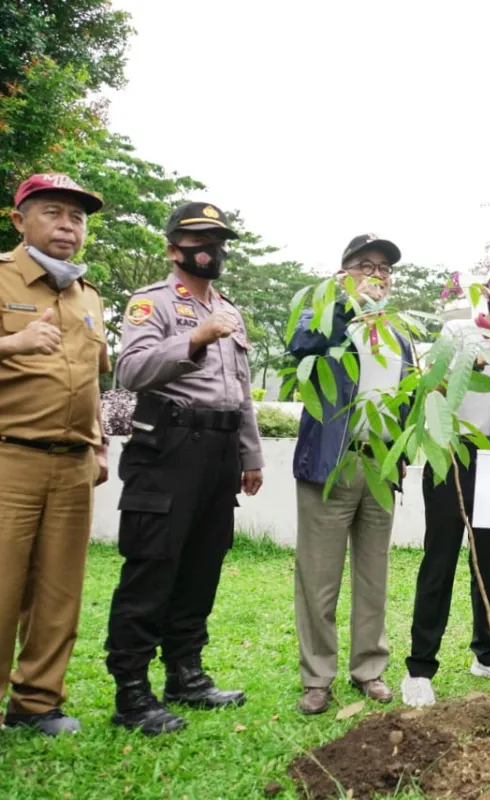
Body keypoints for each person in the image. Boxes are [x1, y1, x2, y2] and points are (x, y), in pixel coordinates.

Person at [105, 201, 264, 736]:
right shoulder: (151, 304)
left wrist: (250, 454)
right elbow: (130, 370)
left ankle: (186, 676)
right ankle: (131, 694)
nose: (211, 250)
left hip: (219, 454)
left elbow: (239, 393)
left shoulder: (230, 310)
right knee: (153, 565)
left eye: (219, 241)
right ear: (174, 249)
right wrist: (195, 338)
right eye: (199, 240)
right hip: (168, 448)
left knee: (201, 565)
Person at [400, 257, 490, 707]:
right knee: (438, 560)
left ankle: (486, 653)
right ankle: (420, 668)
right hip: (451, 455)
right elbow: (431, 390)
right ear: (487, 287)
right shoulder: (458, 333)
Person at [0, 174, 109, 736]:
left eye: (78, 217)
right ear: (20, 221)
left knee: (58, 593)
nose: (68, 226)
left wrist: (99, 440)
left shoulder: (87, 295)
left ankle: (36, 704)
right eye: (54, 213)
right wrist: (12, 344)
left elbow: (90, 378)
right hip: (9, 459)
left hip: (72, 465)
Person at [289, 234, 411, 715]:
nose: (377, 275)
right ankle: (317, 677)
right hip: (330, 463)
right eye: (366, 265)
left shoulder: (398, 332)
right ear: (343, 273)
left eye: (384, 268)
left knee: (373, 574)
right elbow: (300, 346)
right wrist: (346, 305)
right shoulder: (324, 315)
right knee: (318, 578)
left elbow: (407, 394)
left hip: (379, 463)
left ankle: (370, 669)